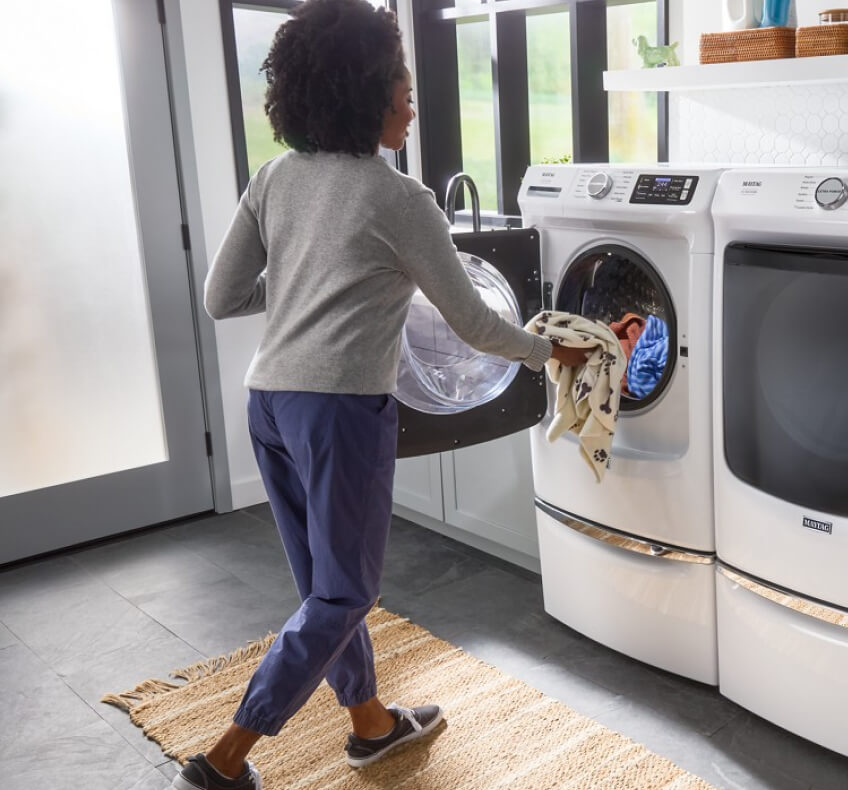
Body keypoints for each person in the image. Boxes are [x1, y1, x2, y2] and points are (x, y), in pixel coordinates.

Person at [182, 2, 587, 787]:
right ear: (361, 92)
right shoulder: (399, 199)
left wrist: (311, 278)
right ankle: (225, 759)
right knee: (344, 592)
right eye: (399, 86)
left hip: (268, 401)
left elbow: (222, 298)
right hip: (338, 410)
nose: (410, 102)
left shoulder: (274, 178)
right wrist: (552, 350)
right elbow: (472, 323)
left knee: (322, 584)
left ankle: (370, 724)